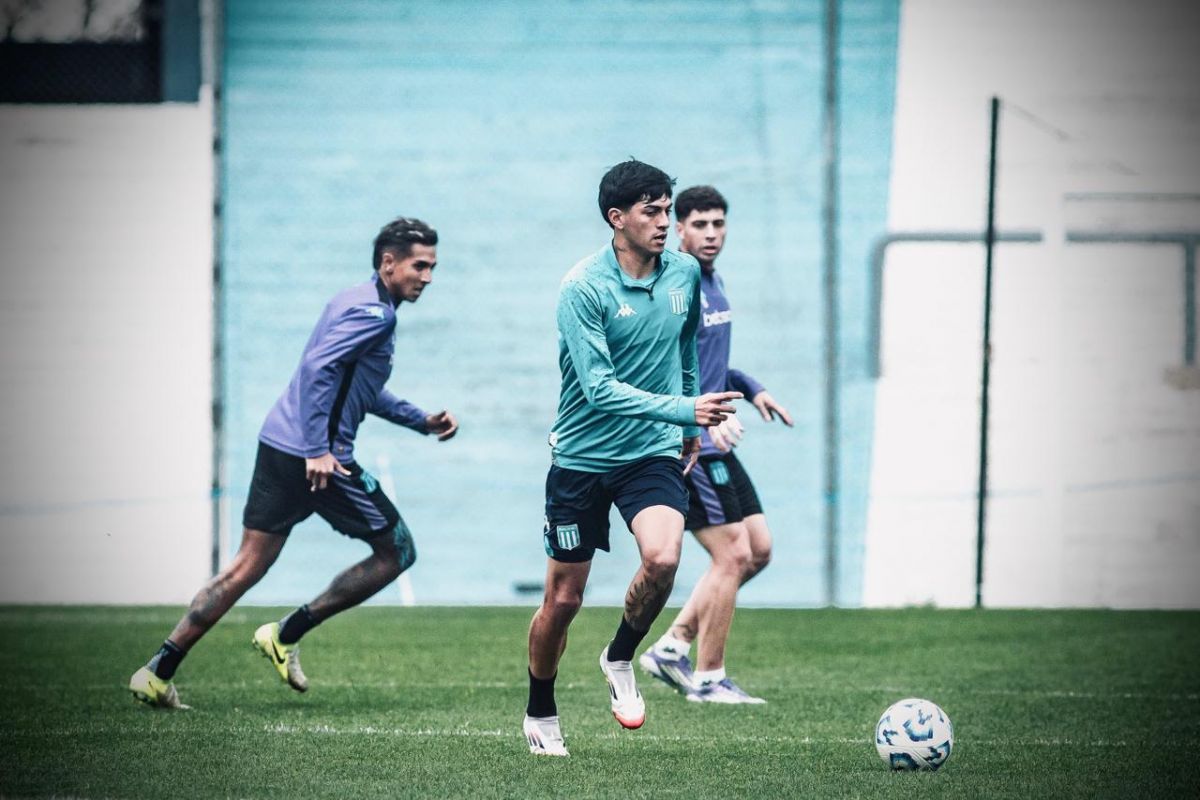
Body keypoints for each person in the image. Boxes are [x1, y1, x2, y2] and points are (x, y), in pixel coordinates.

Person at [128, 217, 458, 709]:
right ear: (389, 262)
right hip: (317, 458)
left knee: (243, 568)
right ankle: (285, 634)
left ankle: (156, 671)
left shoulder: (353, 298)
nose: (427, 277)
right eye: (420, 265)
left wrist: (419, 420)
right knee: (397, 552)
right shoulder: (376, 315)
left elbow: (356, 387)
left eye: (433, 267)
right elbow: (318, 370)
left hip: (279, 446)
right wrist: (318, 451)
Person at [523, 161, 743, 757]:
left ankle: (620, 654)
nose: (665, 222)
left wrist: (689, 421)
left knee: (665, 557)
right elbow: (598, 389)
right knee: (563, 601)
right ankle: (540, 707)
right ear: (617, 219)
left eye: (668, 209)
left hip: (649, 453)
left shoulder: (683, 274)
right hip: (582, 457)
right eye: (652, 211)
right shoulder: (583, 287)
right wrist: (683, 411)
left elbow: (686, 349)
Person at [638, 186, 792, 704]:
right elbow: (663, 369)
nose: (710, 233)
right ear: (678, 229)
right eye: (699, 224)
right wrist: (701, 424)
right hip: (693, 443)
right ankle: (708, 678)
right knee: (732, 555)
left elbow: (710, 364)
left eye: (718, 224)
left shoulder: (714, 281)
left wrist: (752, 389)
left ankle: (672, 645)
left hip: (719, 434)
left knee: (759, 550)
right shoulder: (678, 286)